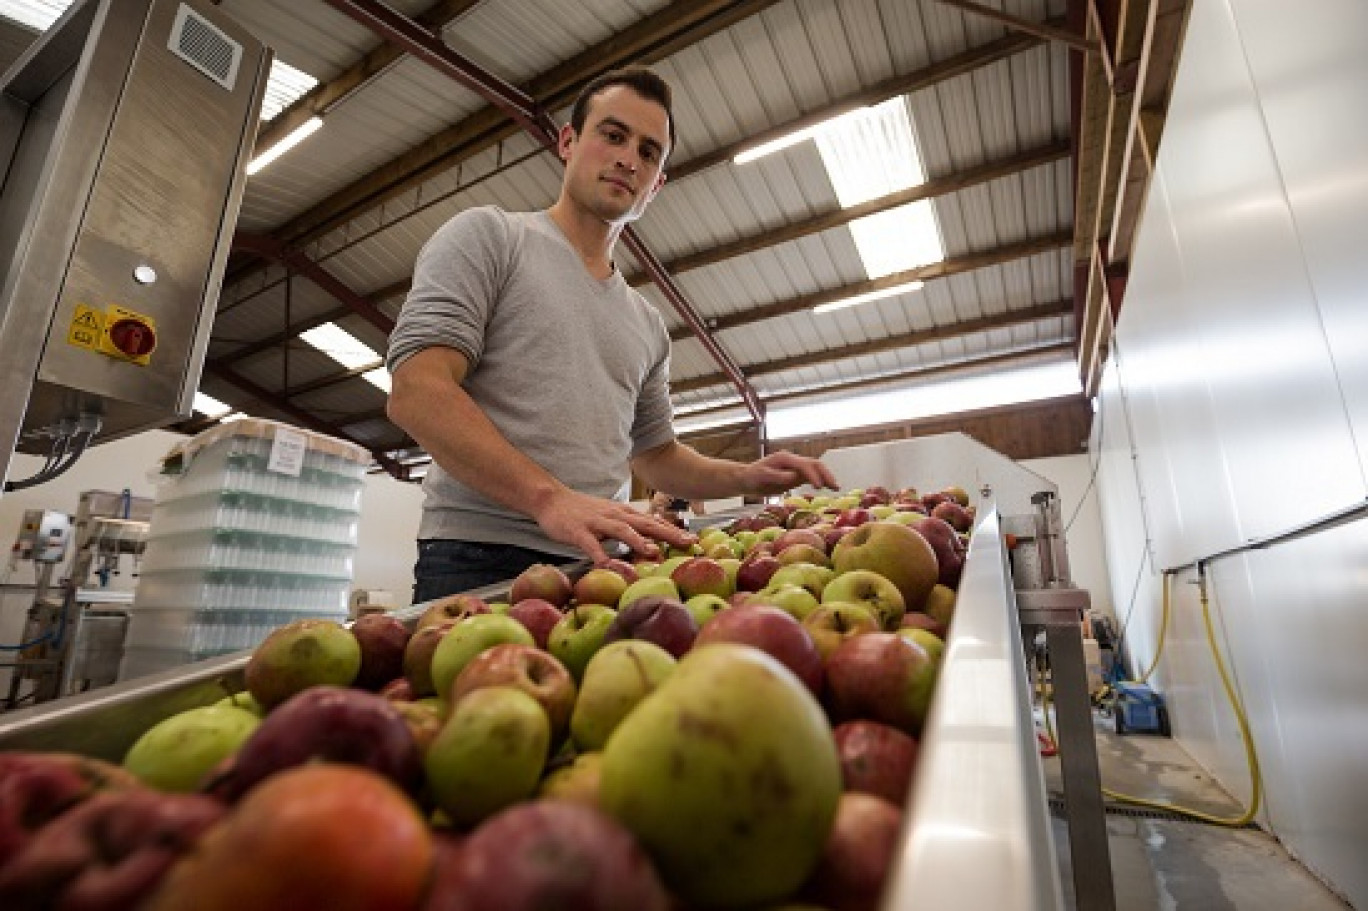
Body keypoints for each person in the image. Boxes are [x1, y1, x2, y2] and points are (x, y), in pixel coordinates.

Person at [385, 66, 836, 602]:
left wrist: (748, 477)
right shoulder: (492, 237)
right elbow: (418, 390)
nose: (629, 159)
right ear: (569, 141)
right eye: (614, 135)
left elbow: (655, 457)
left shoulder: (646, 325)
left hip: (597, 564)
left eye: (649, 152)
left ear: (657, 184)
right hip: (477, 557)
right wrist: (549, 499)